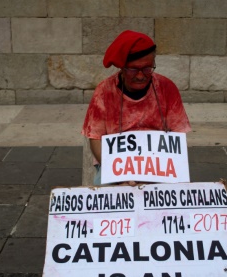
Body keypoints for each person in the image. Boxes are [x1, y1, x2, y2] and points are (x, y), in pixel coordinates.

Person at [82, 30, 192, 185]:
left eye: (147, 68)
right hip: (115, 165)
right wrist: (119, 176)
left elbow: (178, 135)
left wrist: (154, 177)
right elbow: (95, 138)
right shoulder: (104, 91)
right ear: (122, 67)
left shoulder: (167, 88)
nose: (141, 76)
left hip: (158, 164)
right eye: (133, 69)